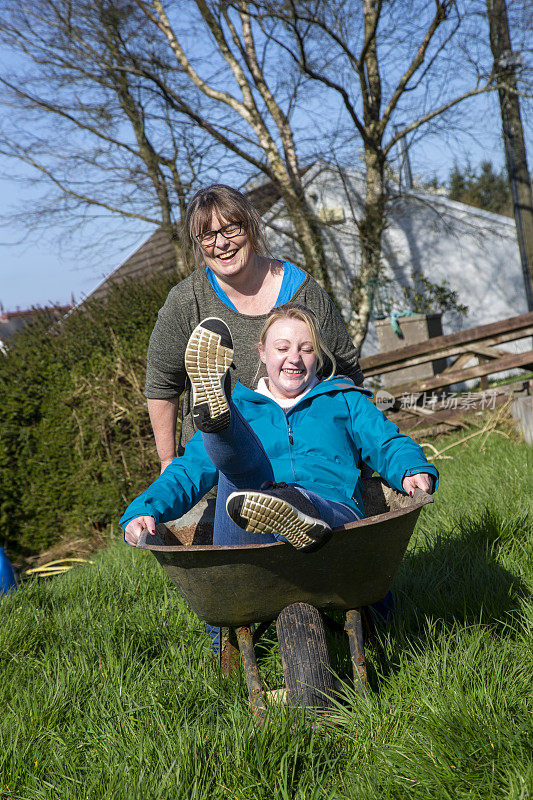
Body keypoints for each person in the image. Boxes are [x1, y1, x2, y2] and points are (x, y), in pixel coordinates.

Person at [122, 304, 438, 551]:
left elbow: (386, 442)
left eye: (306, 348)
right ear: (262, 352)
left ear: (319, 356)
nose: (294, 359)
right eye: (282, 348)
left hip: (332, 518)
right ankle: (217, 414)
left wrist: (410, 467)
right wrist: (144, 509)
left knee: (303, 501)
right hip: (247, 534)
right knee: (240, 465)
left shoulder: (344, 401)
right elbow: (188, 471)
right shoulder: (244, 409)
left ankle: (294, 509)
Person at [144, 184, 364, 473]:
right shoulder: (187, 302)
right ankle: (220, 430)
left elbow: (345, 372)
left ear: (251, 226)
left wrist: (360, 453)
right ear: (197, 244)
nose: (221, 243)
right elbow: (161, 385)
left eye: (231, 229)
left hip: (302, 462)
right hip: (214, 472)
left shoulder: (304, 292)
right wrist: (168, 461)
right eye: (207, 235)